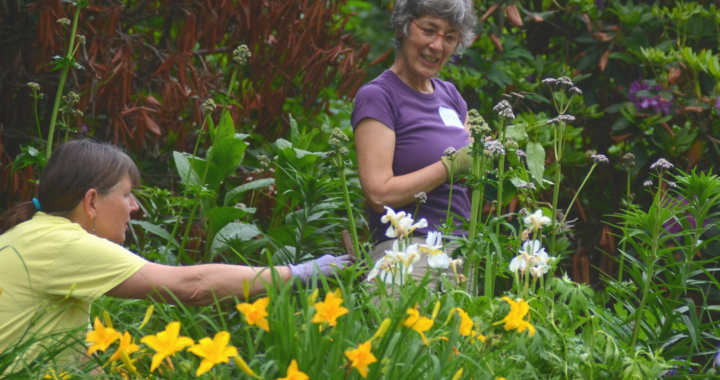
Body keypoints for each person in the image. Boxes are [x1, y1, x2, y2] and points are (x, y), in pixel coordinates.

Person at [0, 140, 352, 367]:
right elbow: (191, 287)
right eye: (126, 195)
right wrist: (300, 273)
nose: (135, 208)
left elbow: (70, 351)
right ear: (91, 201)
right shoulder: (65, 244)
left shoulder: (33, 234)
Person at [351, 0, 476, 282]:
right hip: (407, 256)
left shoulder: (451, 95)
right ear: (404, 27)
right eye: (429, 30)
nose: (437, 45)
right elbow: (378, 195)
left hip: (460, 254)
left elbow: (473, 160)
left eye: (450, 37)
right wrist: (449, 166)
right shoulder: (379, 96)